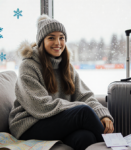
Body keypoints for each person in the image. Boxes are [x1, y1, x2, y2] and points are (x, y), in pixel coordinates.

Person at [8, 14, 114, 150]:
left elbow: (85, 96)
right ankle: (116, 145)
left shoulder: (66, 66)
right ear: (41, 41)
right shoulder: (28, 66)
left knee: (86, 138)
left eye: (61, 38)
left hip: (55, 121)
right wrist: (78, 108)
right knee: (83, 111)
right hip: (29, 125)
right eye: (51, 38)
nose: (58, 43)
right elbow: (41, 106)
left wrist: (102, 113)